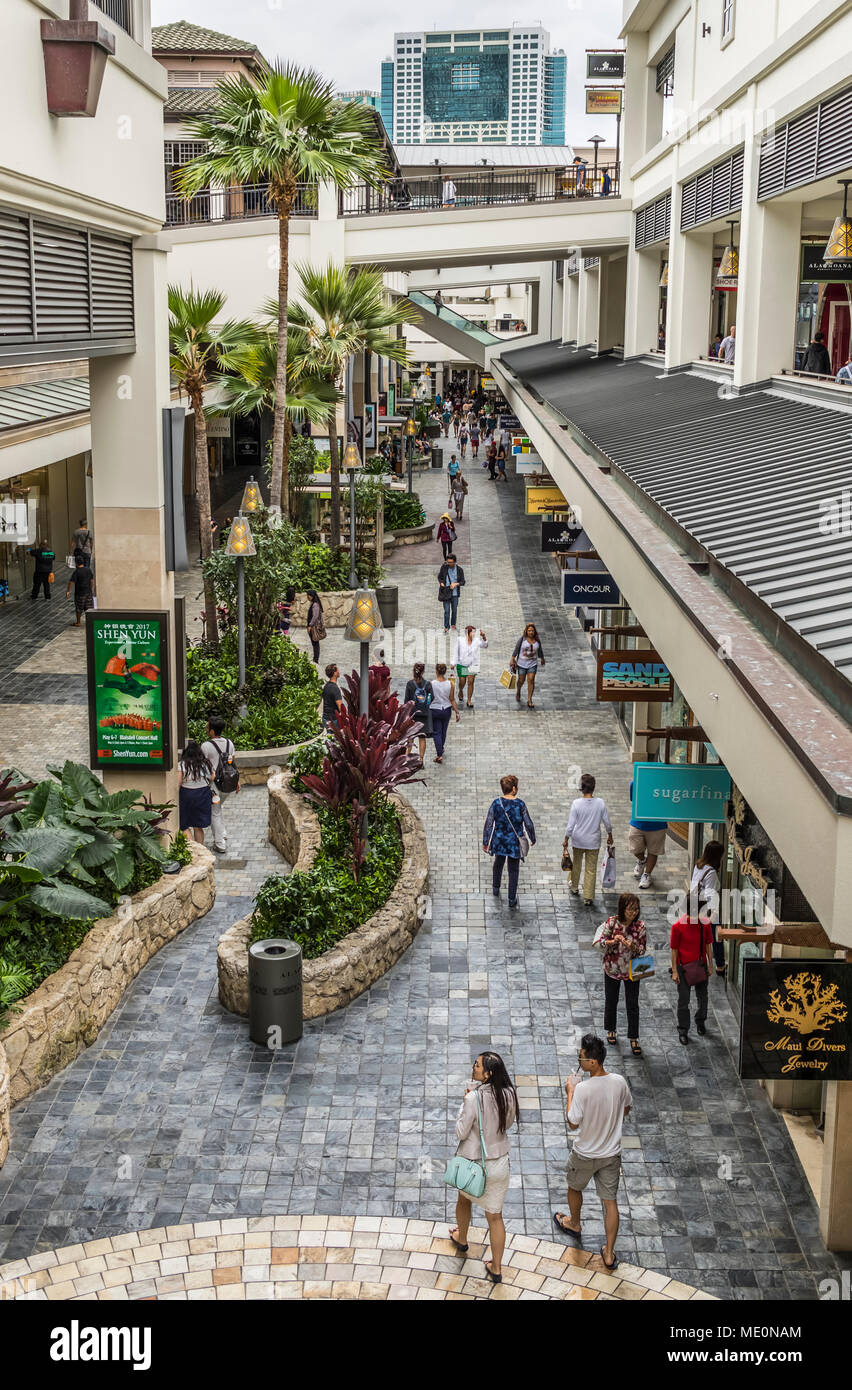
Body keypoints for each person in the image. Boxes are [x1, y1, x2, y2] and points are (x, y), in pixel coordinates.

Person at [553, 1033, 632, 1273]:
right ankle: (609, 1252)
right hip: (611, 1154)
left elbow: (573, 1123)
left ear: (593, 1062)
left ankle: (574, 1223)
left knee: (574, 1187)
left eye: (582, 1058)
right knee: (610, 1203)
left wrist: (570, 1091)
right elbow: (626, 1108)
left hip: (585, 1153)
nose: (580, 1062)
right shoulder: (619, 1082)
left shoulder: (582, 1089)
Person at [448, 1051, 518, 1283]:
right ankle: (496, 1267)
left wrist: (465, 1101)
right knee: (495, 1217)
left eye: (477, 1065)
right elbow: (506, 1125)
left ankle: (462, 1237)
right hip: (499, 1165)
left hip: (473, 1165)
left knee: (463, 1200)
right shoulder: (509, 1094)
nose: (473, 1067)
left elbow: (461, 1132)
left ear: (487, 1074)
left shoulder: (473, 1098)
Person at [596, 893, 647, 1056]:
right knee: (611, 1000)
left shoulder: (640, 927)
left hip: (633, 969)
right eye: (630, 909)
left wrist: (632, 946)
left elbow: (642, 950)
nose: (633, 912)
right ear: (622, 909)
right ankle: (611, 1029)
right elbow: (601, 942)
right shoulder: (612, 922)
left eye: (636, 909)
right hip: (613, 968)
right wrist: (613, 941)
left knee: (633, 1004)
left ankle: (634, 1037)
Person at [482, 773, 536, 909]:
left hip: (499, 840)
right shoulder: (520, 804)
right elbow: (528, 823)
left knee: (498, 864)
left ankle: (496, 888)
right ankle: (511, 899)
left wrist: (485, 841)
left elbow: (488, 823)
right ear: (513, 789)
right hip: (514, 843)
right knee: (513, 870)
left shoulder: (496, 803)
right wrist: (532, 837)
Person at [564, 773, 613, 907]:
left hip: (578, 840)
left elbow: (570, 825)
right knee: (590, 868)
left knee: (577, 863)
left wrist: (566, 839)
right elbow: (607, 822)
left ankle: (574, 886)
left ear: (582, 788)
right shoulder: (600, 803)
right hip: (593, 841)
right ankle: (588, 897)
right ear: (593, 788)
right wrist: (610, 834)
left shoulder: (576, 804)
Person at [670, 904, 715, 1045]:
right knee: (684, 1000)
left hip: (700, 966)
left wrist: (710, 964)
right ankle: (683, 1030)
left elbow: (708, 945)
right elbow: (674, 950)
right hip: (683, 969)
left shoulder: (705, 925)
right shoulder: (678, 927)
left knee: (703, 997)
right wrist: (675, 971)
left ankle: (700, 1021)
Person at [202, 715, 238, 856]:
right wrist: (237, 781)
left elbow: (202, 766)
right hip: (228, 784)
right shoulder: (230, 743)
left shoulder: (206, 746)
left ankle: (220, 844)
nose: (205, 729)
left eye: (207, 727)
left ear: (212, 731)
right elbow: (232, 763)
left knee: (214, 812)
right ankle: (222, 833)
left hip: (214, 786)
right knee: (218, 807)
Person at [690, 839, 726, 977]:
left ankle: (690, 962)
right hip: (706, 909)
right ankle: (720, 965)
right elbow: (709, 894)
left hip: (695, 906)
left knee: (698, 936)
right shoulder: (711, 872)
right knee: (717, 936)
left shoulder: (698, 865)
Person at [627, 776, 667, 889]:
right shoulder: (634, 784)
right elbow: (633, 800)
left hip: (657, 824)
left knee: (653, 851)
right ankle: (642, 860)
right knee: (634, 848)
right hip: (638, 822)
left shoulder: (663, 786)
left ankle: (647, 874)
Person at [178, 740, 213, 844]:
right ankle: (201, 850)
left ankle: (193, 852)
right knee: (198, 826)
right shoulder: (204, 763)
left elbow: (178, 782)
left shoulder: (182, 764)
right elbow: (211, 777)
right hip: (203, 794)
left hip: (187, 795)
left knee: (184, 825)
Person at [404, 662, 433, 766]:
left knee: (410, 737)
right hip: (424, 714)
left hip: (412, 714)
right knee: (422, 737)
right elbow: (431, 698)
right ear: (423, 671)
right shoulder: (428, 684)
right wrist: (425, 706)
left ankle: (406, 757)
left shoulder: (410, 684)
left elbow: (406, 700)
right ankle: (421, 760)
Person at [430, 662, 459, 763]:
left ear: (436, 671)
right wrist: (457, 712)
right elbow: (452, 699)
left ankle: (439, 754)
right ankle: (441, 747)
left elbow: (429, 698)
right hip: (446, 709)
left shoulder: (432, 684)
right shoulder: (450, 684)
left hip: (435, 709)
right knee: (443, 731)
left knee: (437, 732)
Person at [511, 622, 545, 709]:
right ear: (526, 631)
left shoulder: (537, 640)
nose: (531, 632)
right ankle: (518, 691)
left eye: (532, 631)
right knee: (521, 681)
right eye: (529, 630)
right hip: (522, 664)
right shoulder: (522, 639)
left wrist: (542, 658)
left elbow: (540, 649)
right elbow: (516, 649)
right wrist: (512, 659)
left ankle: (529, 699)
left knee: (531, 679)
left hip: (532, 664)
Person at [453, 624, 488, 708]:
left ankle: (469, 700)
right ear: (468, 633)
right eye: (473, 632)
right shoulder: (460, 640)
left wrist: (484, 637)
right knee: (462, 681)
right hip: (462, 664)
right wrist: (453, 663)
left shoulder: (476, 641)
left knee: (471, 682)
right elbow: (455, 651)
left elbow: (485, 645)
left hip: (473, 665)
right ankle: (461, 690)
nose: (474, 634)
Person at [437, 553, 465, 632]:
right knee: (446, 610)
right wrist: (441, 583)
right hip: (446, 593)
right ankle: (446, 626)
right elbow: (439, 577)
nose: (449, 564)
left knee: (454, 610)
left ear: (455, 562)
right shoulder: (444, 568)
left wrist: (456, 584)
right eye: (448, 562)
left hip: (455, 594)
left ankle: (453, 624)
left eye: (451, 562)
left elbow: (463, 582)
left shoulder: (459, 570)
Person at [65, 555, 94, 626]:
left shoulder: (77, 571)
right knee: (89, 608)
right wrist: (91, 589)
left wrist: (68, 591)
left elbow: (71, 582)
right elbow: (91, 580)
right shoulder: (88, 570)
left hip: (80, 593)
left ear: (76, 563)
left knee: (79, 608)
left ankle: (78, 622)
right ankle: (90, 622)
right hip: (88, 592)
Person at [321, 662, 345, 729]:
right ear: (334, 673)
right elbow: (340, 707)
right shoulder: (335, 688)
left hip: (325, 718)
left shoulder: (326, 686)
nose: (339, 671)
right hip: (333, 720)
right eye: (337, 670)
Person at [306, 590, 324, 663]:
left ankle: (316, 659)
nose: (307, 597)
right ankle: (315, 658)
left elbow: (315, 616)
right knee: (314, 643)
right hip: (313, 627)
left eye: (308, 595)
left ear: (312, 596)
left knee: (315, 643)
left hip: (314, 627)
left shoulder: (315, 605)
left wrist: (310, 625)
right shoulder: (314, 604)